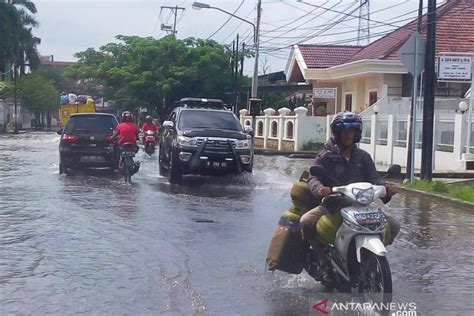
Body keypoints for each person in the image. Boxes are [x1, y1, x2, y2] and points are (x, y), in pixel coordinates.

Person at [300, 111, 401, 281]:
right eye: (345, 131)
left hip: (362, 206)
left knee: (394, 225)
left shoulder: (363, 157)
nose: (348, 135)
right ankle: (324, 260)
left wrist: (386, 188)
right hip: (333, 205)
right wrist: (320, 189)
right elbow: (313, 177)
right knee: (306, 222)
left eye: (352, 131)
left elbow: (374, 178)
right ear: (337, 133)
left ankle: (370, 258)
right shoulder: (325, 156)